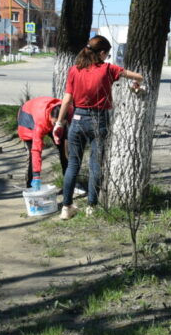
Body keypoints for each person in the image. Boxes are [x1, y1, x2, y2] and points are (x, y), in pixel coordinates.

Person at [53, 35, 144, 220]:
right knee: (95, 165)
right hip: (99, 120)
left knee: (73, 165)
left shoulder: (74, 70)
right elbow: (139, 76)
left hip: (77, 119)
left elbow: (67, 99)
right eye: (107, 54)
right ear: (102, 53)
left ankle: (66, 206)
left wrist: (59, 123)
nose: (107, 58)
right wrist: (136, 84)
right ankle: (91, 207)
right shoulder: (108, 69)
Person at [17, 96, 71, 190]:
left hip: (46, 114)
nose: (58, 126)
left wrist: (59, 129)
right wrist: (36, 175)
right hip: (27, 116)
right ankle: (31, 186)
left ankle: (68, 182)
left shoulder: (68, 110)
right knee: (31, 154)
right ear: (51, 118)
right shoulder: (40, 122)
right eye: (55, 124)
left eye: (62, 123)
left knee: (63, 148)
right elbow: (36, 150)